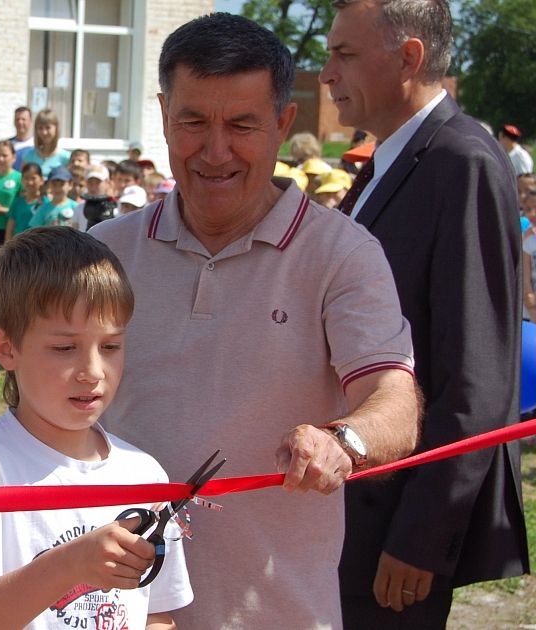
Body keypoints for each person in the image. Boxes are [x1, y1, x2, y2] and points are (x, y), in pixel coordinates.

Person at [90, 13, 421, 629]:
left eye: (242, 125)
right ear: (164, 116)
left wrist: (343, 440)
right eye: (193, 122)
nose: (216, 152)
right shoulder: (103, 252)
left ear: (283, 123)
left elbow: (394, 399)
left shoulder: (342, 254)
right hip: (123, 612)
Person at [320, 0, 529, 625]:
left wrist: (422, 535)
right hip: (348, 506)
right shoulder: (392, 161)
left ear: (409, 57)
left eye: (345, 54)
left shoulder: (461, 163)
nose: (327, 74)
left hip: (393, 528)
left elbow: (478, 374)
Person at [0, 226, 191, 630]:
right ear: (6, 348)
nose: (92, 372)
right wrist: (71, 564)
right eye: (64, 348)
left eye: (110, 346)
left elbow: (158, 612)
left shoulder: (146, 474)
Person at [19, 109, 71, 176]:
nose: (44, 132)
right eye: (40, 128)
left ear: (56, 128)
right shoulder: (29, 157)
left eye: (48, 128)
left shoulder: (66, 158)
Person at [4, 162, 46, 240]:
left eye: (33, 178)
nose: (30, 182)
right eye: (26, 178)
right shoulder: (17, 202)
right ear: (21, 180)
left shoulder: (46, 203)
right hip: (19, 245)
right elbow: (10, 228)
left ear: (41, 180)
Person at [79, 163, 117, 229]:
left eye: (98, 182)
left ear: (107, 183)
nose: (93, 186)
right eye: (90, 182)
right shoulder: (79, 208)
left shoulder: (116, 208)